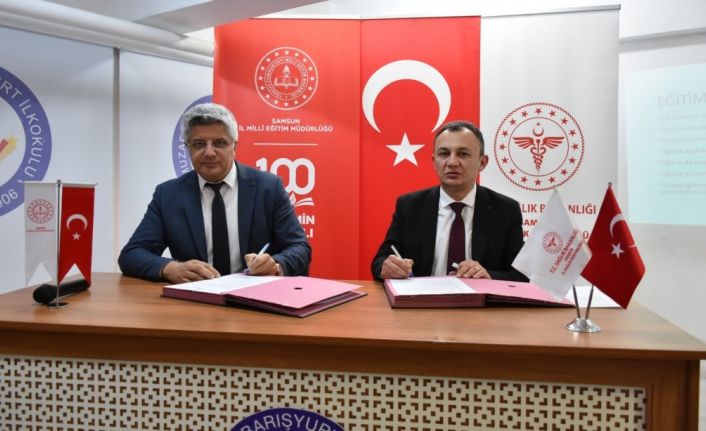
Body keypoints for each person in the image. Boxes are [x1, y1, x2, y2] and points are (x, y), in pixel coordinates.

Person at [119, 103, 311, 283]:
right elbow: (132, 254)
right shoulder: (168, 194)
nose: (209, 152)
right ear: (187, 148)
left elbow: (300, 248)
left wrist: (276, 265)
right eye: (198, 144)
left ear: (234, 146)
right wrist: (169, 268)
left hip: (255, 298)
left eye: (219, 143)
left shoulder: (268, 187)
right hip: (194, 300)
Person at [371, 120, 526, 282]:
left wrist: (488, 276)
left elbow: (521, 275)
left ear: (482, 163)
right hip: (423, 297)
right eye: (444, 154)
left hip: (479, 298)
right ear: (434, 162)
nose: (452, 162)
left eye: (463, 154)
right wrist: (387, 268)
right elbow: (381, 261)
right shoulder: (410, 206)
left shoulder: (506, 210)